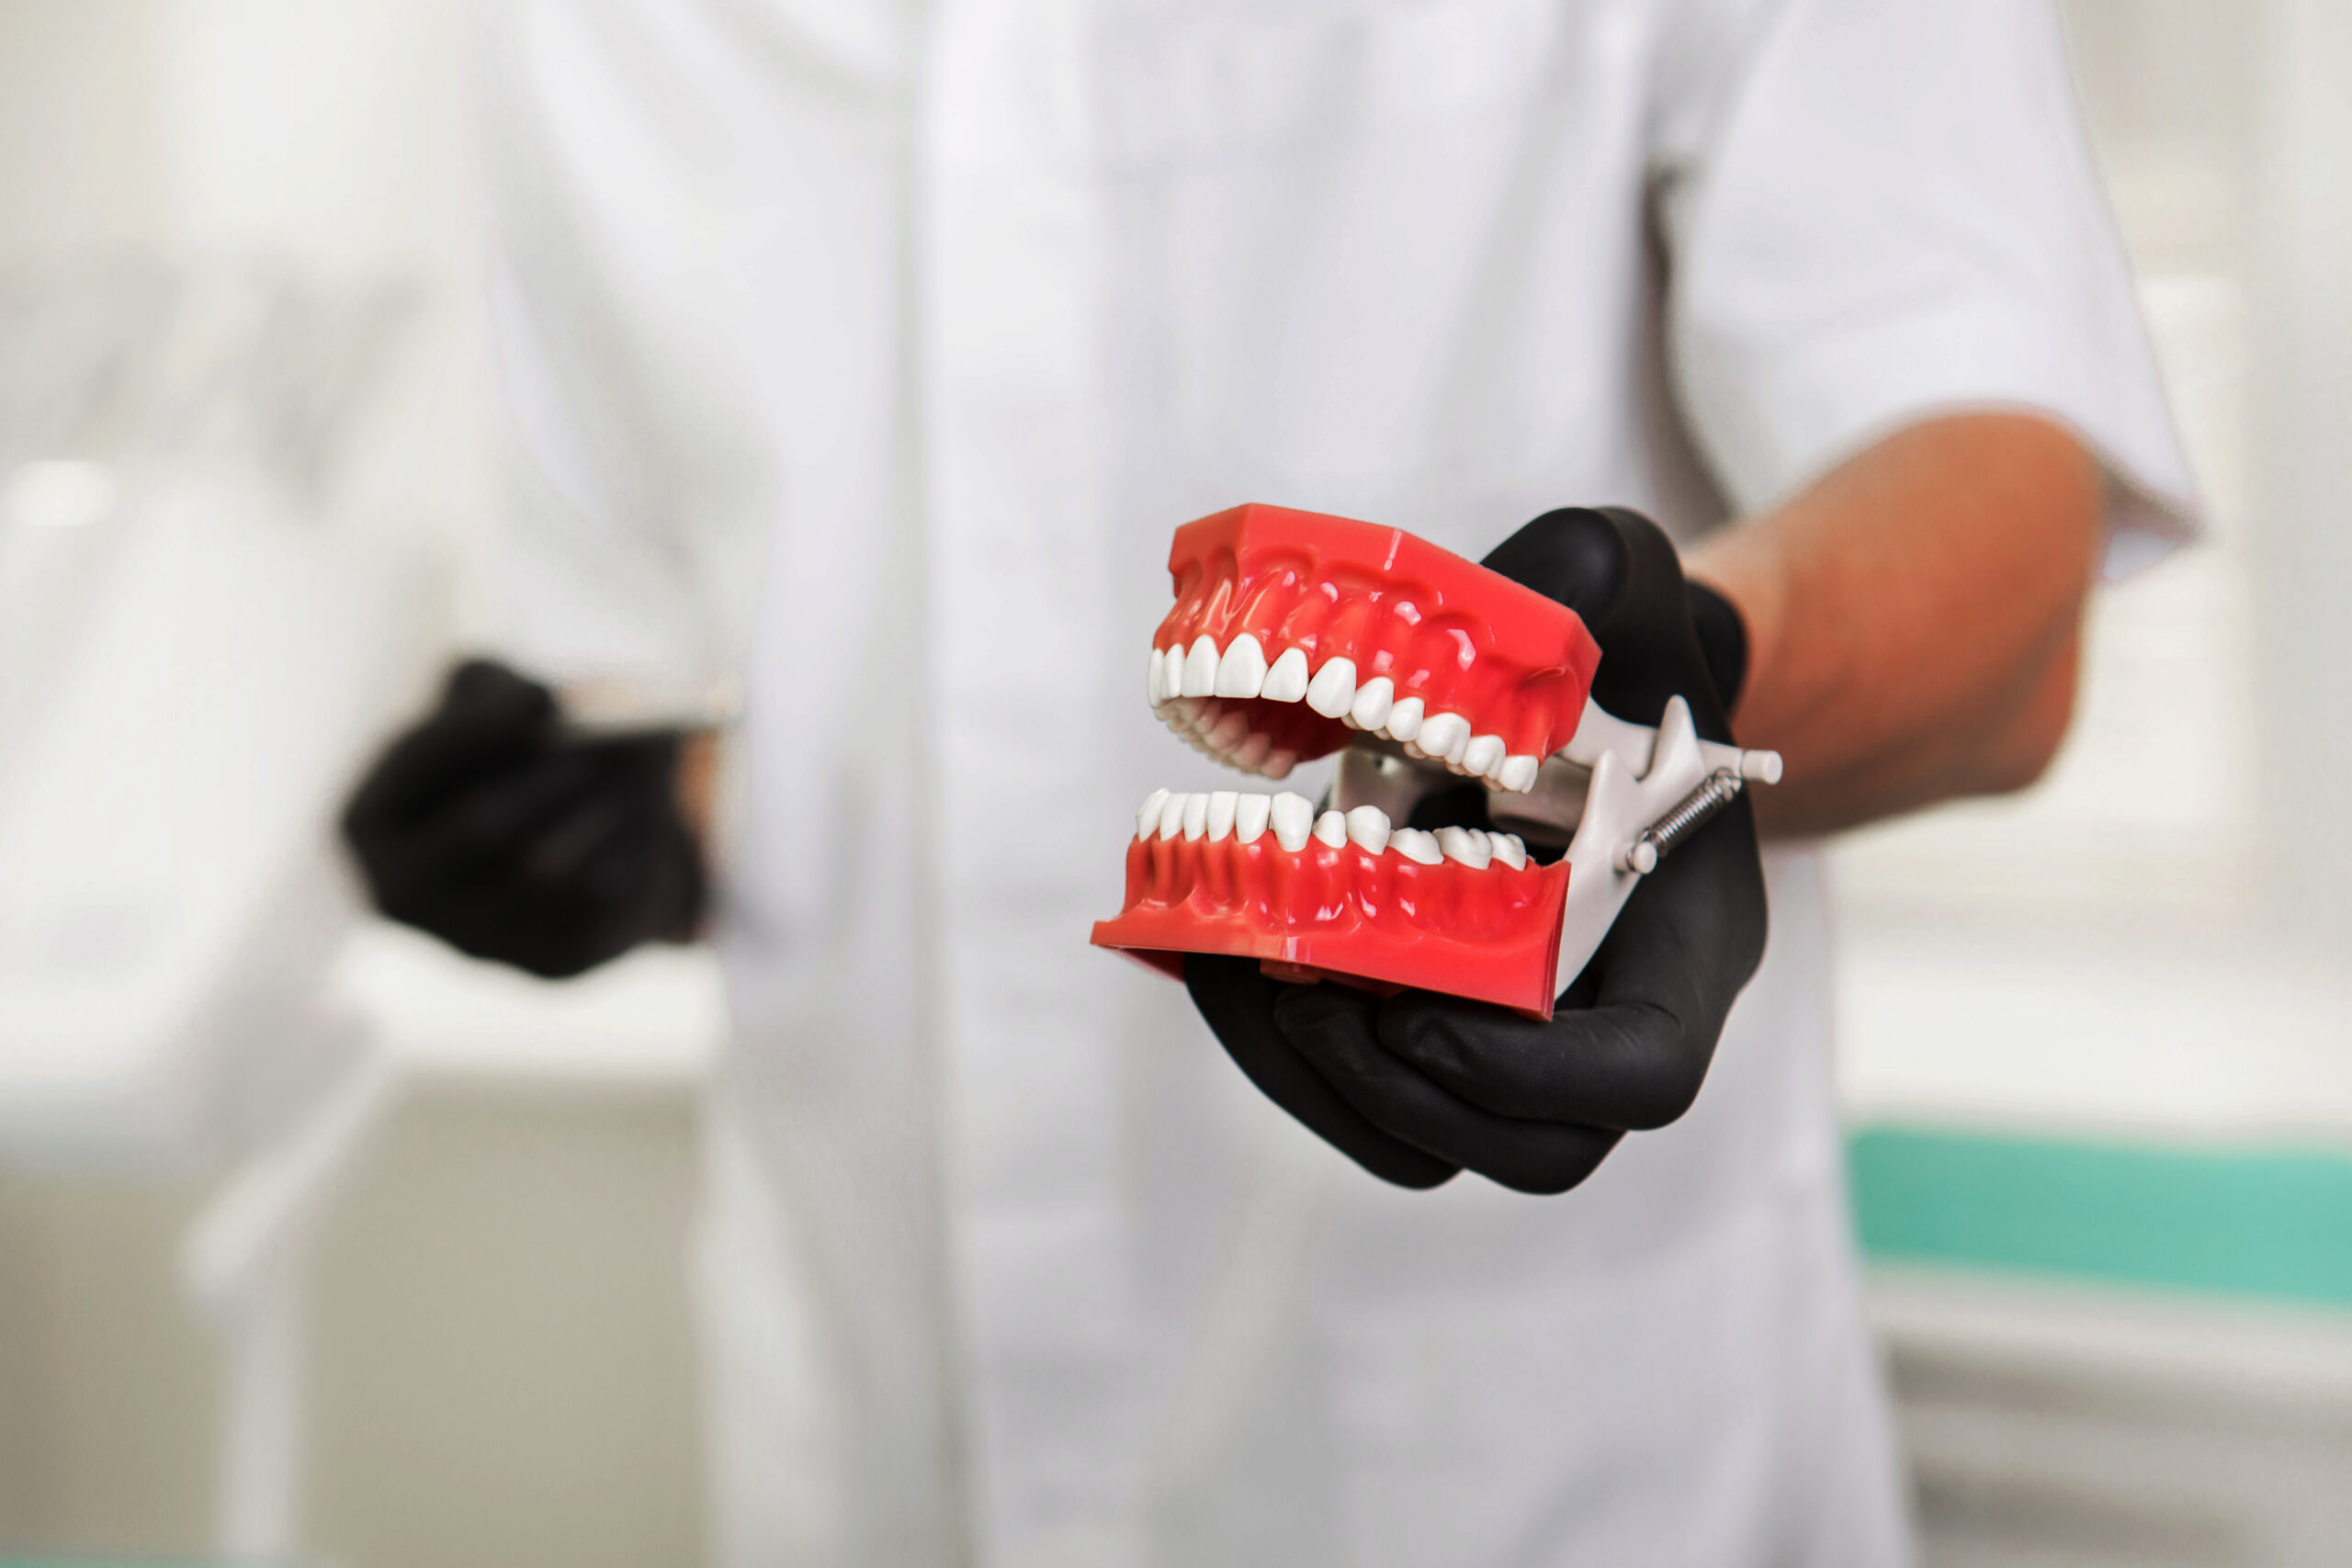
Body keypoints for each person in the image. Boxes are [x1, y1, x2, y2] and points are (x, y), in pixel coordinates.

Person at [343, 1, 2195, 1562]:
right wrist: (624, 829)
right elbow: (685, 644)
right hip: (865, 1439)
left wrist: (1689, 688)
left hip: (1541, 1477)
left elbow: (1999, 520)